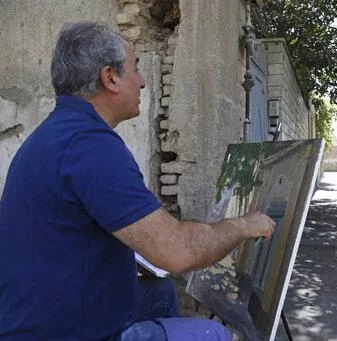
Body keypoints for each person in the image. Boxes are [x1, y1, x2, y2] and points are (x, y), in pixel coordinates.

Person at [0, 21, 276, 340]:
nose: (143, 82)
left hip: (45, 311)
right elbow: (177, 252)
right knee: (211, 333)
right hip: (59, 331)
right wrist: (244, 226)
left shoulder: (58, 133)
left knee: (159, 292)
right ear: (110, 77)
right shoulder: (89, 146)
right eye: (136, 69)